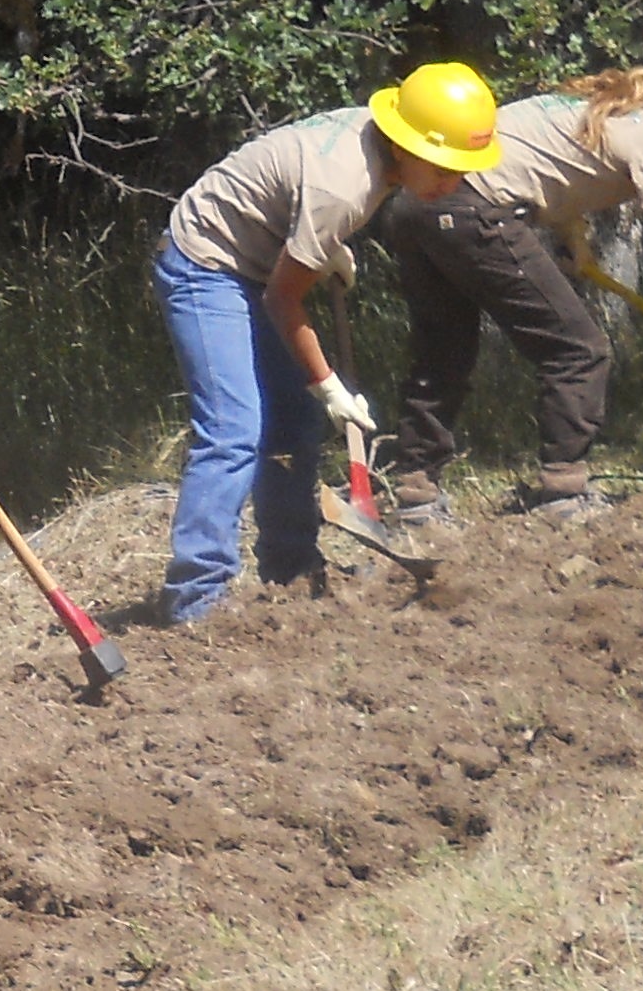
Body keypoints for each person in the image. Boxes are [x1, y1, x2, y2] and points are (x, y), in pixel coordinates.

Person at [375, 15, 643, 520]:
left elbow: (555, 160)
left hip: (419, 200)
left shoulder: (621, 101)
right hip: (474, 206)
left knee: (443, 352)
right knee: (579, 351)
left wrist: (575, 242)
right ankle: (563, 491)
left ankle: (415, 490)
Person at [153, 64, 500, 621]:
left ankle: (289, 567)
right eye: (445, 167)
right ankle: (198, 595)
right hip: (206, 263)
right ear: (407, 145)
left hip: (260, 257)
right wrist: (329, 385)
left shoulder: (380, 152)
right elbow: (283, 301)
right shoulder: (346, 187)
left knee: (293, 424)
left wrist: (320, 247)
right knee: (233, 429)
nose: (452, 183)